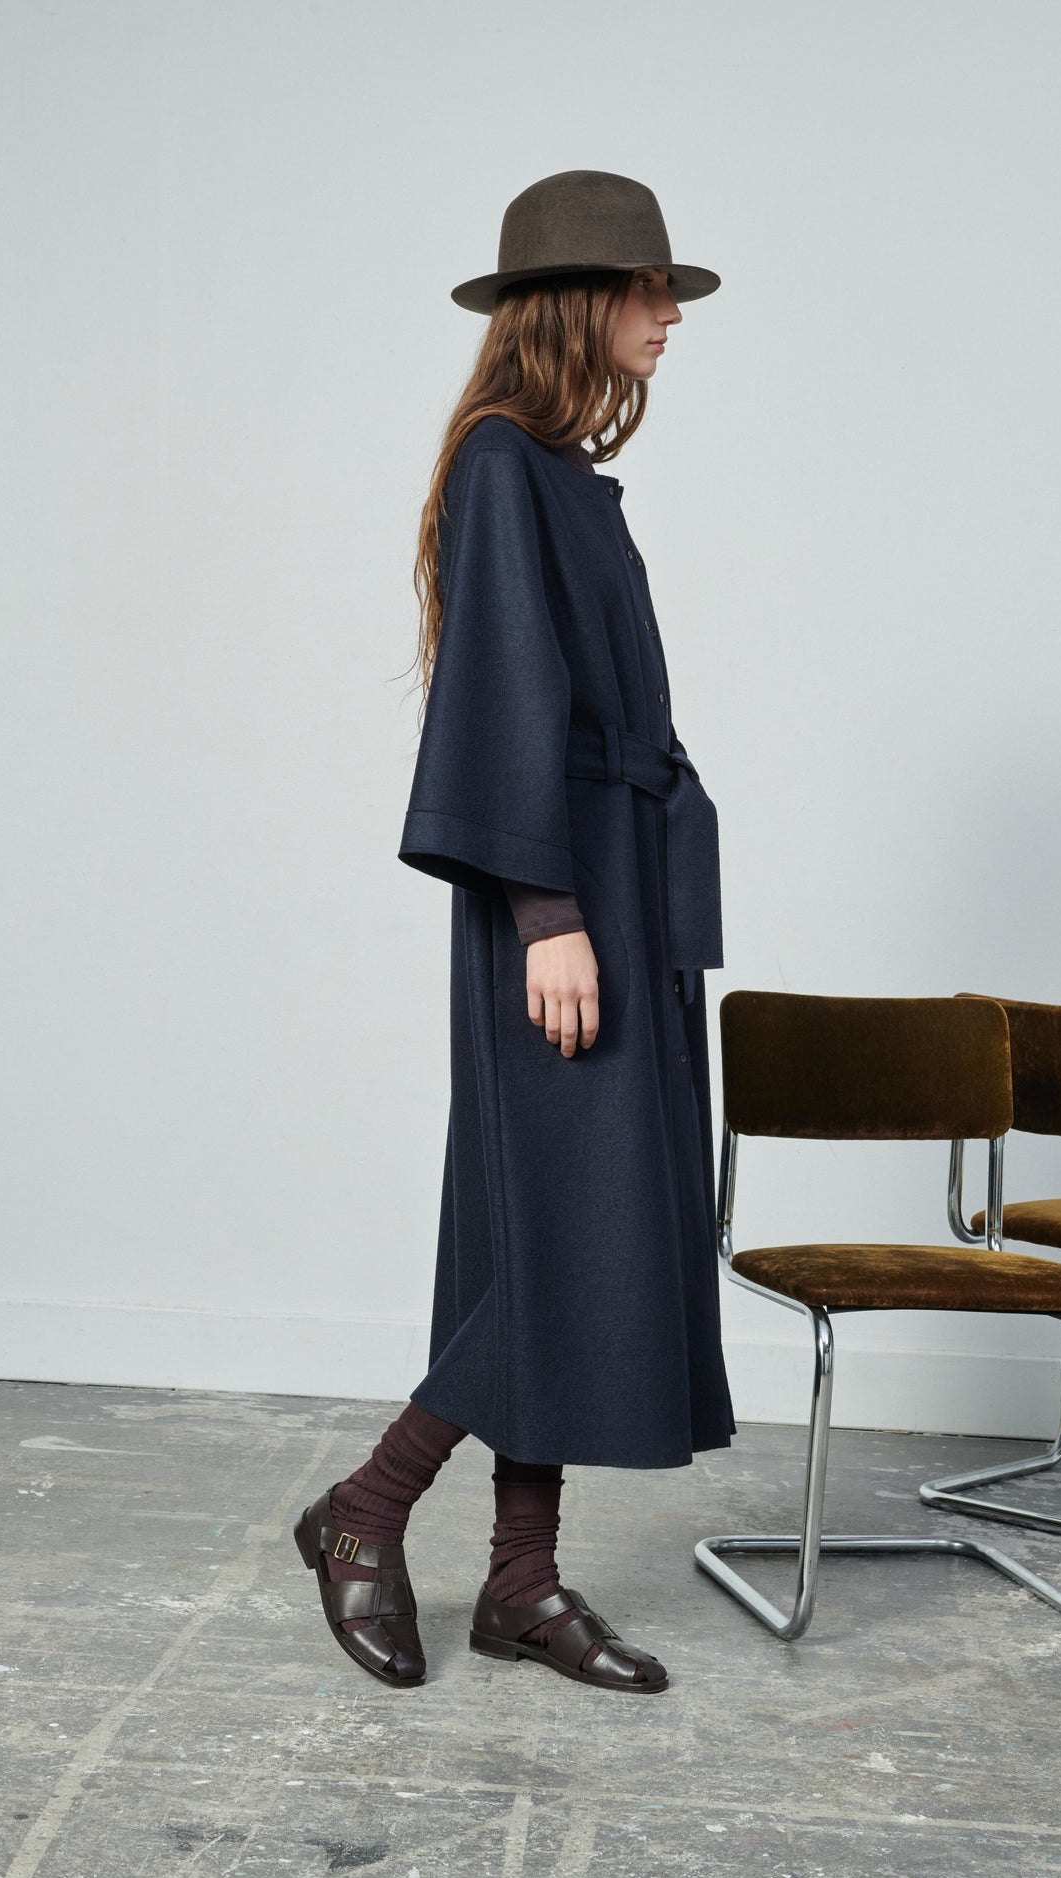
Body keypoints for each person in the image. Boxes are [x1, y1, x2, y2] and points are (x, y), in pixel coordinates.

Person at [294, 170, 735, 1696]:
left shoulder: (559, 476)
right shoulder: (500, 465)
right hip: (560, 896)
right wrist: (548, 915)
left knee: (573, 1223)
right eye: (649, 288)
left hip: (618, 883)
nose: (669, 314)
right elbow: (498, 691)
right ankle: (367, 1511)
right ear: (577, 301)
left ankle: (519, 1579)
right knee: (556, 1233)